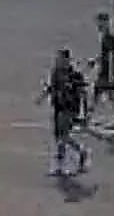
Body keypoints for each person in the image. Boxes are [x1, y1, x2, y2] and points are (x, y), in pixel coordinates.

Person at [38, 49, 89, 177]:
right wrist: (43, 96)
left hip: (70, 108)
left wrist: (85, 113)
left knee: (63, 136)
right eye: (57, 59)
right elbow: (52, 87)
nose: (57, 61)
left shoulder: (74, 75)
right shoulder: (55, 72)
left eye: (60, 59)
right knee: (60, 137)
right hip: (58, 107)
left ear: (67, 60)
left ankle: (64, 163)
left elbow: (83, 93)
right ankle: (79, 153)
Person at [91, 12, 114, 134]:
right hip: (107, 71)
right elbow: (106, 54)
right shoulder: (106, 37)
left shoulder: (108, 38)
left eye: (100, 22)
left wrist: (111, 75)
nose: (98, 25)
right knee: (101, 94)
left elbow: (111, 56)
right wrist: (95, 61)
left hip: (109, 72)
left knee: (108, 95)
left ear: (106, 23)